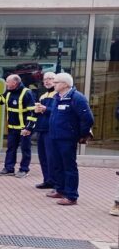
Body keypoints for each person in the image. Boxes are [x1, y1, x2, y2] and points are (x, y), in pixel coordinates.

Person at [46, 73, 94, 205]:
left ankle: (71, 196)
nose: (53, 84)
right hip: (55, 137)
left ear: (65, 84)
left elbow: (88, 119)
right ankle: (60, 189)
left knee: (69, 167)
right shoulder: (57, 97)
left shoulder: (77, 98)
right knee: (57, 165)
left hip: (67, 139)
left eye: (56, 82)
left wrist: (80, 134)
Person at [0, 74, 37, 178]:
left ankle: (24, 169)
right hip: (12, 128)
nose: (6, 83)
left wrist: (28, 128)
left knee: (25, 149)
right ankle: (9, 168)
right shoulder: (9, 92)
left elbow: (32, 112)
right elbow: (2, 101)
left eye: (7, 81)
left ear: (14, 83)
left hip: (24, 129)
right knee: (10, 149)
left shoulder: (27, 93)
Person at [32, 72, 57, 189]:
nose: (47, 81)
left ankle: (54, 181)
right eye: (45, 79)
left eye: (50, 79)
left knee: (51, 157)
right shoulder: (42, 96)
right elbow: (37, 113)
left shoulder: (58, 94)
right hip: (41, 129)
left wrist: (45, 109)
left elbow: (58, 112)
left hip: (51, 130)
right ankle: (47, 180)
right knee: (43, 156)